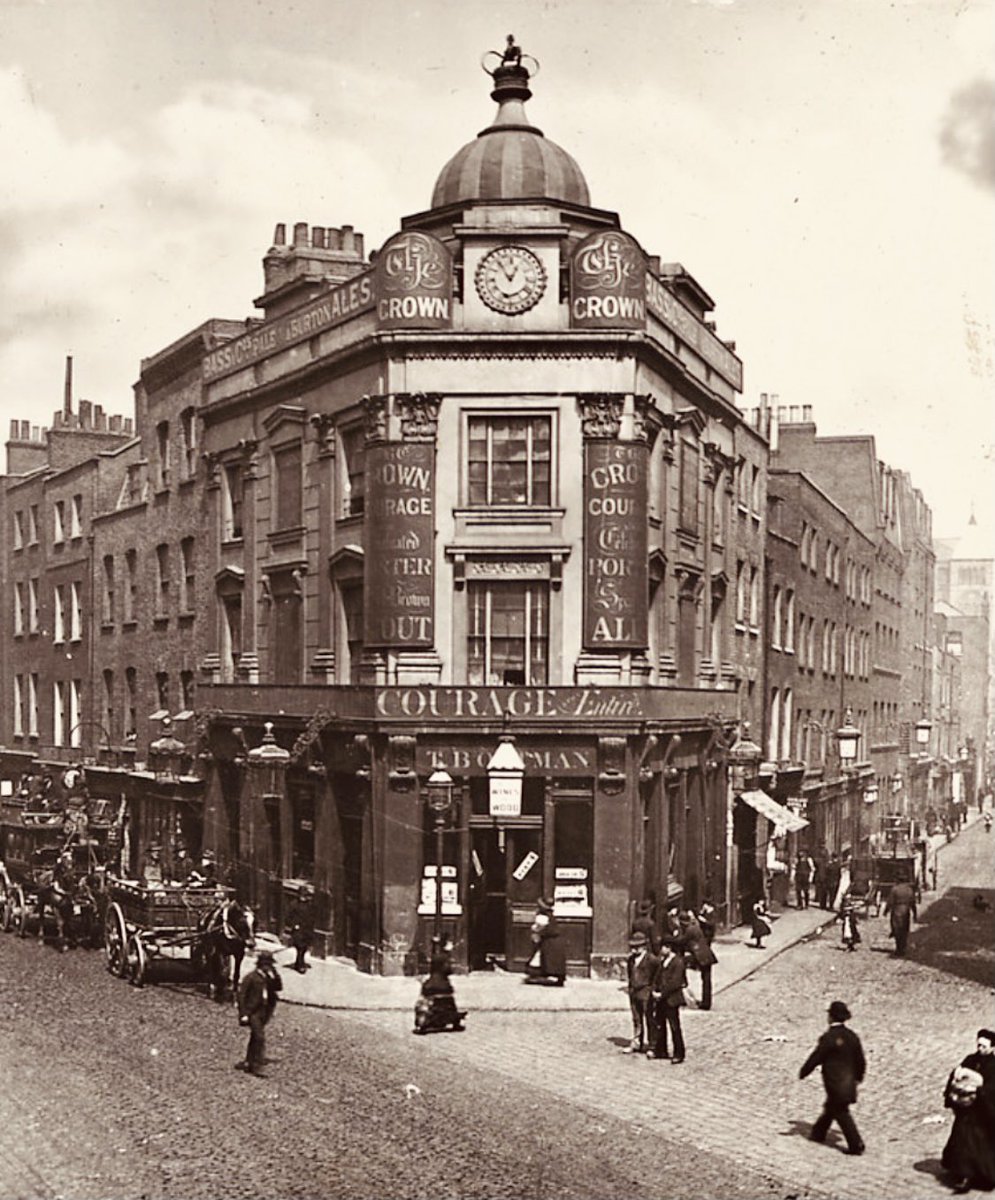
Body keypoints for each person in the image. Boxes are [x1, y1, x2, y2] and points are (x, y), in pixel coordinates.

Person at [799, 1000, 866, 1156]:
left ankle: (856, 1144)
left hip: (834, 1081)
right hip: (849, 1081)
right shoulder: (852, 1036)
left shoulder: (828, 1037)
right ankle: (818, 1133)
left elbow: (817, 1057)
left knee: (840, 1111)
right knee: (831, 1107)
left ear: (830, 1017)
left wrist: (804, 1071)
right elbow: (860, 1060)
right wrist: (859, 1077)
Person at [941, 1028, 995, 1193]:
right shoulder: (971, 1060)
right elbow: (956, 1075)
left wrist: (979, 1091)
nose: (980, 1049)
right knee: (964, 1141)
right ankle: (965, 1175)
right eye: (979, 1045)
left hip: (984, 1112)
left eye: (984, 1047)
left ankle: (983, 1175)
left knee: (982, 1144)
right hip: (967, 1110)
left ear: (993, 1048)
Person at [236, 949, 282, 1077]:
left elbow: (278, 987)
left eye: (270, 965)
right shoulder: (251, 977)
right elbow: (241, 996)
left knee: (255, 1036)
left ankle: (248, 1061)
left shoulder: (269, 978)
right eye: (267, 964)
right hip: (253, 1012)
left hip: (265, 1011)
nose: (268, 967)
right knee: (260, 1037)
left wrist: (275, 974)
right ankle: (257, 1066)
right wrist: (243, 1013)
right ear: (261, 964)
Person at [648, 939, 688, 1063]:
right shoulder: (663, 961)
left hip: (672, 999)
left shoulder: (678, 962)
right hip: (661, 999)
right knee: (660, 1024)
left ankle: (679, 1053)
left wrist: (662, 993)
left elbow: (675, 983)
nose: (661, 950)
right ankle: (661, 1050)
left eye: (663, 948)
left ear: (669, 948)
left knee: (674, 1026)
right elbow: (656, 977)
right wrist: (654, 989)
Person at [623, 931, 659, 1054]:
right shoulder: (631, 960)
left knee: (649, 1018)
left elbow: (656, 976)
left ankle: (652, 1045)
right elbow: (630, 975)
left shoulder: (652, 960)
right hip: (634, 992)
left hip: (646, 992)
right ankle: (637, 1042)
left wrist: (652, 989)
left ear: (644, 946)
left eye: (636, 947)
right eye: (632, 947)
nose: (633, 950)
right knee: (636, 1018)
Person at [679, 909, 717, 1011]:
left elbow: (682, 941)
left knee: (681, 964)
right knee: (706, 979)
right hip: (707, 954)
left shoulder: (689, 930)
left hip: (701, 956)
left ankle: (704, 1003)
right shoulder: (695, 927)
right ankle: (706, 1002)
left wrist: (669, 939)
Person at [525, 897, 566, 985]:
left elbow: (540, 928)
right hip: (553, 940)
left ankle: (545, 975)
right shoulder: (551, 915)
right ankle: (553, 976)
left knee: (546, 957)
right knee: (548, 958)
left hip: (549, 941)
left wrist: (536, 931)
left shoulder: (543, 917)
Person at [883, 879, 917, 957]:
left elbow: (890, 901)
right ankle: (903, 948)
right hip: (906, 910)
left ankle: (899, 948)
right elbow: (913, 902)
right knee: (904, 930)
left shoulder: (894, 889)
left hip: (896, 910)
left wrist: (886, 911)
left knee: (897, 929)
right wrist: (915, 914)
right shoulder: (909, 890)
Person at [285, 888, 315, 973]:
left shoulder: (309, 905)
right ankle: (300, 965)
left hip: (307, 929)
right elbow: (288, 917)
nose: (304, 897)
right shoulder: (294, 904)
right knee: (300, 947)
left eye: (305, 895)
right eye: (303, 895)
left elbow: (312, 916)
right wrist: (294, 925)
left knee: (304, 947)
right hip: (298, 930)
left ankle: (299, 962)